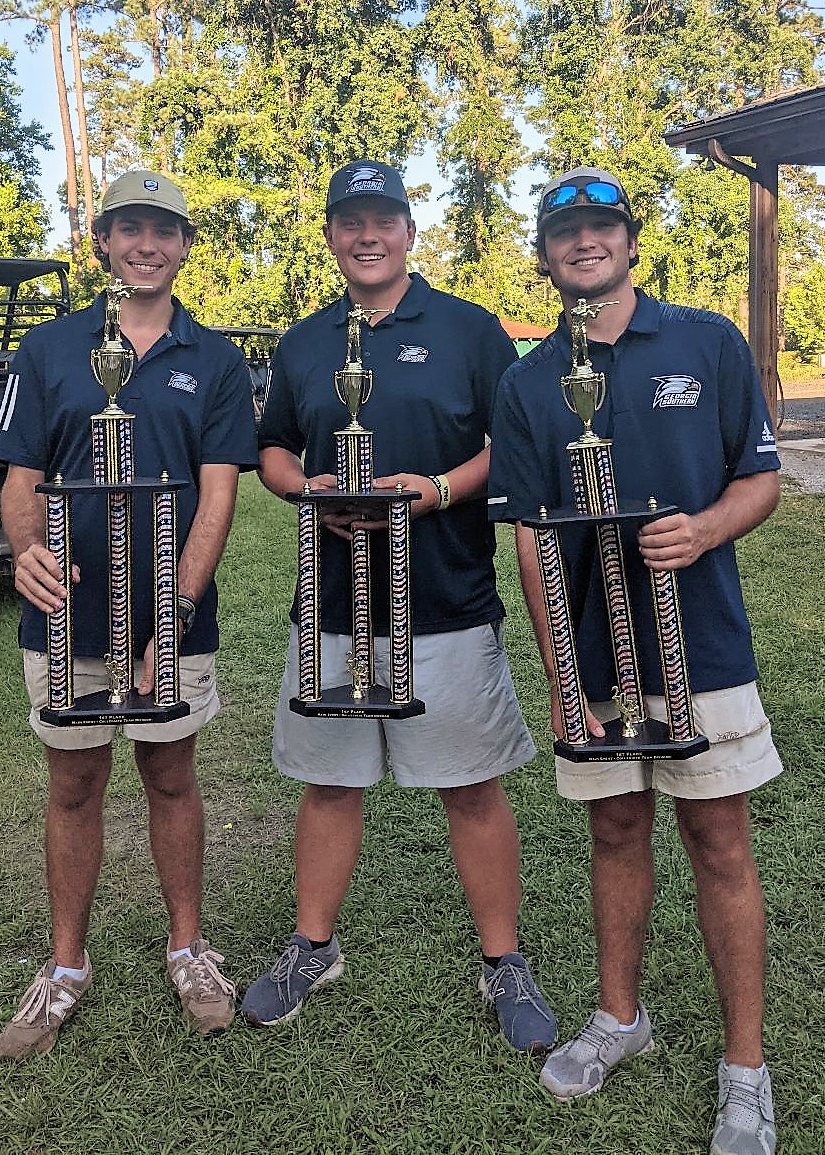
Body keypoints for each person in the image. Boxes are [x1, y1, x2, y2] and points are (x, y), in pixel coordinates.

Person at [488, 166, 782, 1155]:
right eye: (564, 232)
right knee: (615, 831)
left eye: (600, 227)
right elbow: (529, 533)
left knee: (719, 843)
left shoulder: (706, 342)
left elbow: (760, 477)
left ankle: (745, 1070)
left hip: (704, 648)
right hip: (597, 666)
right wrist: (557, 669)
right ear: (545, 257)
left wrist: (700, 532)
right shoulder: (527, 382)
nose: (583, 243)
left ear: (628, 241)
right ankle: (621, 1018)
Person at [243, 159, 557, 1053]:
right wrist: (309, 492)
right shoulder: (305, 342)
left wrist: (439, 488)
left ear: (410, 231)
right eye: (351, 221)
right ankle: (313, 945)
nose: (367, 235)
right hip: (334, 608)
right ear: (334, 235)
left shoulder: (468, 328)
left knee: (470, 787)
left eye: (384, 219)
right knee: (329, 781)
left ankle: (502, 959)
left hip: (445, 598)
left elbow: (516, 441)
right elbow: (268, 448)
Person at [0, 170, 259, 1060]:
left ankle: (188, 948)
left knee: (172, 776)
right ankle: (66, 966)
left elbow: (217, 497)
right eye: (129, 228)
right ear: (102, 238)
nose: (146, 245)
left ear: (185, 245)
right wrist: (27, 548)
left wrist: (171, 615)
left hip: (168, 618)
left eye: (164, 231)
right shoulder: (49, 348)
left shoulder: (213, 358)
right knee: (72, 786)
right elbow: (21, 479)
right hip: (65, 619)